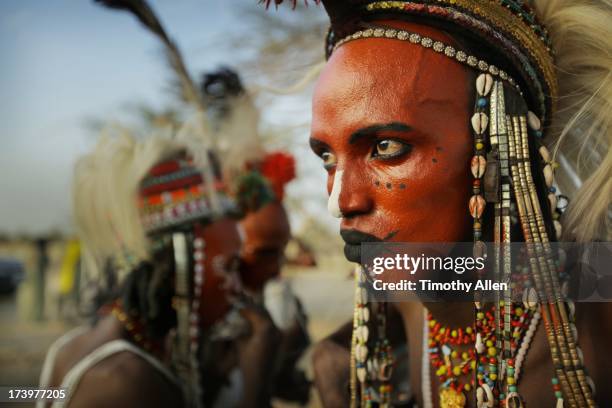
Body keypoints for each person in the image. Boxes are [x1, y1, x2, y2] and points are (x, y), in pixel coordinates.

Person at [282, 0, 612, 406]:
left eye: (385, 147)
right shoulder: (411, 289)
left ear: (497, 147)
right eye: (328, 159)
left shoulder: (596, 282)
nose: (341, 202)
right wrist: (330, 360)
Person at [38, 132, 280, 408]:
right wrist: (257, 385)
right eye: (229, 267)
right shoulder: (126, 382)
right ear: (179, 270)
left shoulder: (71, 347)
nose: (238, 287)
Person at [202, 67, 311, 405]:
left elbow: (273, 227)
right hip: (225, 284)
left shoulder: (266, 171)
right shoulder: (207, 170)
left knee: (286, 315)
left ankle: (281, 374)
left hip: (263, 285)